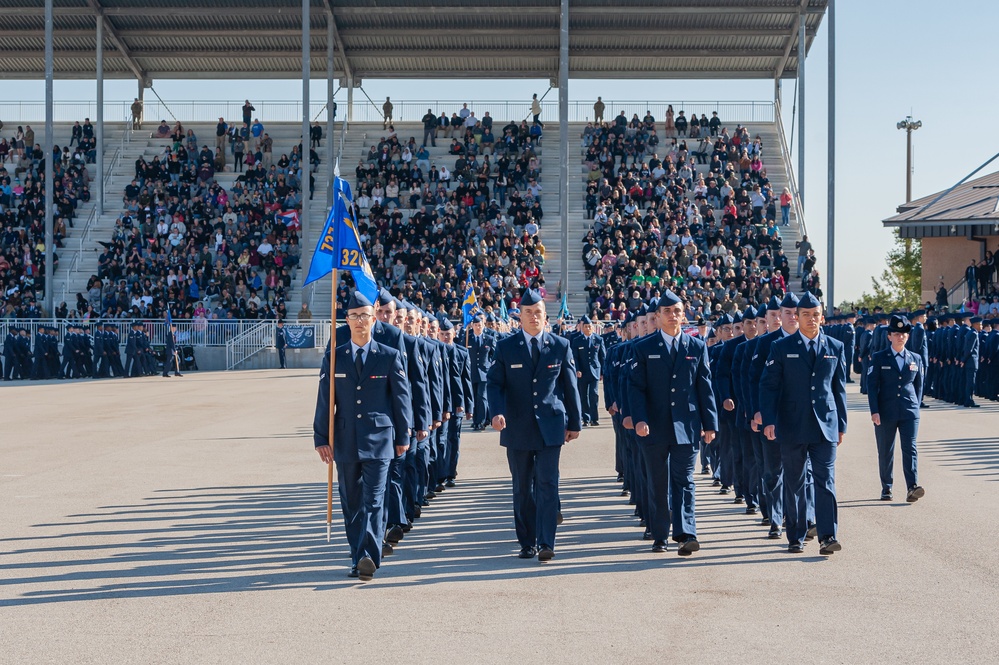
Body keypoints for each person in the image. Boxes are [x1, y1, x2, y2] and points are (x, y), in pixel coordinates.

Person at [313, 291, 413, 581]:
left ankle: (368, 555)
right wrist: (321, 437)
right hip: (344, 439)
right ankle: (359, 555)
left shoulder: (389, 356)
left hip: (380, 440)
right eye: (354, 316)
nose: (360, 321)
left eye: (365, 316)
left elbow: (400, 399)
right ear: (347, 320)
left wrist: (403, 435)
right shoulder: (335, 358)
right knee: (352, 502)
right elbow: (324, 400)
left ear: (374, 319)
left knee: (374, 499)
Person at [487, 289, 581, 562]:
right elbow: (495, 383)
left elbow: (569, 386)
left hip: (551, 426)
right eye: (528, 313)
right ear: (520, 317)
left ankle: (546, 542)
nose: (533, 317)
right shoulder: (506, 347)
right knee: (522, 488)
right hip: (517, 427)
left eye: (538, 312)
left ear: (545, 316)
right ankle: (527, 541)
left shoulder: (560, 345)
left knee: (548, 484)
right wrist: (496, 413)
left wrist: (574, 422)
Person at [628, 290, 718, 555]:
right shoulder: (642, 348)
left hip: (686, 425)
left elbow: (705, 387)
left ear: (684, 315)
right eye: (667, 311)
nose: (673, 316)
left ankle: (686, 532)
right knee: (658, 482)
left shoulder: (696, 346)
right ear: (657, 317)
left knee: (684, 480)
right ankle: (659, 535)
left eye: (677, 311)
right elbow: (636, 388)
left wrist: (710, 423)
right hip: (654, 426)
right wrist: (640, 419)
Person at [761, 292, 847, 555]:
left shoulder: (835, 347)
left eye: (816, 314)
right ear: (796, 318)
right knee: (795, 482)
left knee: (825, 482)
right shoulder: (782, 348)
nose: (811, 319)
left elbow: (838, 388)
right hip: (792, 423)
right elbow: (769, 386)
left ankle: (827, 535)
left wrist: (841, 424)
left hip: (825, 425)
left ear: (822, 317)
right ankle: (796, 535)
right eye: (806, 315)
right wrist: (769, 420)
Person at [867, 315, 925, 503]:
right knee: (886, 450)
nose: (901, 337)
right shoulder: (879, 358)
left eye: (904, 334)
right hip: (886, 411)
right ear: (889, 336)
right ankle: (887, 487)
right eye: (897, 333)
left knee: (910, 448)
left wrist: (916, 406)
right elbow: (872, 386)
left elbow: (918, 386)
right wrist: (874, 411)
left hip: (909, 411)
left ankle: (912, 486)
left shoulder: (915, 358)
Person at [572, 315, 606, 427]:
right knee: (583, 395)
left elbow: (603, 357)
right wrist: (577, 369)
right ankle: (585, 418)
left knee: (594, 394)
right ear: (582, 327)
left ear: (592, 327)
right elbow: (575, 357)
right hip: (582, 372)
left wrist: (602, 372)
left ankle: (594, 418)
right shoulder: (577, 341)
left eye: (589, 326)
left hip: (595, 371)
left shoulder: (598, 339)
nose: (587, 328)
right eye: (585, 326)